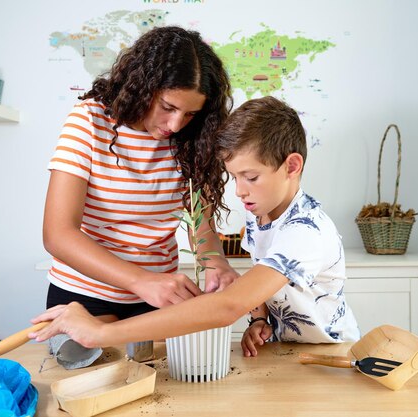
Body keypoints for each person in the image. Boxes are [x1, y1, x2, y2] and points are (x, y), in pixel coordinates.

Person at [31, 96, 360, 356]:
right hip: (284, 350)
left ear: (292, 166)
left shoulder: (304, 231)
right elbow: (264, 275)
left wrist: (100, 334)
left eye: (251, 177)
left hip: (330, 354)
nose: (239, 191)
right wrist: (260, 318)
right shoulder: (262, 212)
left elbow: (230, 305)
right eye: (234, 177)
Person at [42, 26, 237, 328]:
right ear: (145, 87)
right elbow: (58, 235)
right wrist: (141, 281)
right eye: (168, 107)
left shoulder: (195, 138)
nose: (175, 124)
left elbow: (202, 224)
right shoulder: (90, 120)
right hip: (83, 294)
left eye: (189, 114)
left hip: (159, 298)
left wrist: (217, 264)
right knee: (105, 370)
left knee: (169, 373)